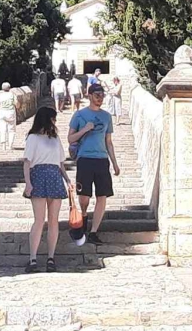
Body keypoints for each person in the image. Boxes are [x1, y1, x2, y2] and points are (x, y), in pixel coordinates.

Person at [67, 82, 120, 246]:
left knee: (102, 195)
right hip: (85, 159)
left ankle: (93, 231)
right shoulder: (79, 115)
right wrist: (84, 130)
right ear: (89, 96)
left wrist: (115, 163)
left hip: (102, 159)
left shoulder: (106, 116)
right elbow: (70, 138)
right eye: (97, 95)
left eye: (102, 95)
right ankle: (83, 214)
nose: (100, 98)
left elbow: (108, 141)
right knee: (84, 197)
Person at [22, 106, 70, 272]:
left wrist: (68, 180)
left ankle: (51, 258)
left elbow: (61, 162)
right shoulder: (33, 138)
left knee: (53, 220)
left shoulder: (55, 139)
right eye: (53, 118)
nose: (55, 122)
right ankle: (33, 258)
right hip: (39, 176)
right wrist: (28, 183)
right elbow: (27, 162)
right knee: (39, 220)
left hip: (54, 176)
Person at [0, 82, 18, 150]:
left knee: (2, 129)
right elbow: (16, 104)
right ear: (9, 88)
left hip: (2, 113)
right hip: (11, 113)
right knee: (11, 129)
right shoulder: (12, 95)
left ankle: (3, 145)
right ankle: (10, 145)